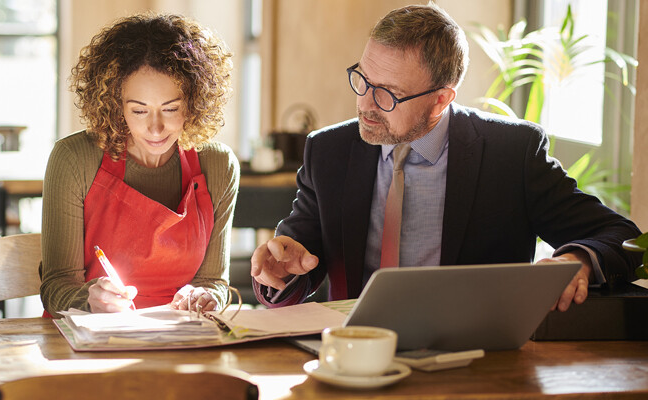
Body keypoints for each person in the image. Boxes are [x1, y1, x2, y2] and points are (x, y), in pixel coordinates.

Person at [251, 3, 642, 311]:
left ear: (441, 99)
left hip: (477, 359)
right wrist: (278, 271)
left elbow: (622, 238)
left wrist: (578, 259)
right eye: (363, 80)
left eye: (387, 93)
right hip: (354, 359)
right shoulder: (329, 151)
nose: (365, 104)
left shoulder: (510, 154)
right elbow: (294, 260)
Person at [40, 13, 239, 318]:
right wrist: (88, 299)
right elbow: (55, 287)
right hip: (93, 342)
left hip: (184, 341)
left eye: (171, 108)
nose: (156, 128)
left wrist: (207, 295)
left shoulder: (218, 165)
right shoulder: (74, 159)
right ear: (116, 105)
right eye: (139, 110)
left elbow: (214, 281)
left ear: (194, 102)